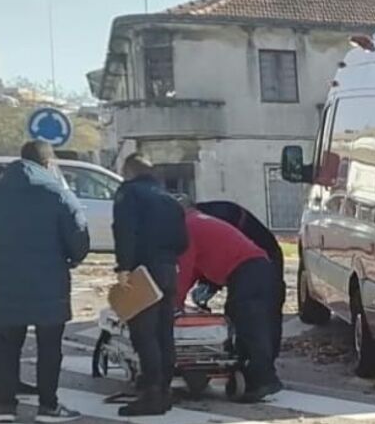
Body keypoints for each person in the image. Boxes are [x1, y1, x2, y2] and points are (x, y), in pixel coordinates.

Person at [0, 141, 89, 424]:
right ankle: (48, 406)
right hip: (50, 283)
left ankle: (6, 408)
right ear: (49, 164)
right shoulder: (57, 194)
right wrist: (71, 260)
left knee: (8, 345)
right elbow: (79, 239)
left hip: (5, 282)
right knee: (49, 347)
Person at [176, 200, 283, 403]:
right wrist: (181, 302)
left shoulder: (186, 228)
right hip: (253, 268)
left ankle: (263, 379)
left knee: (248, 323)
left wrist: (174, 306)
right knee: (239, 318)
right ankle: (249, 372)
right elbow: (192, 271)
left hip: (250, 270)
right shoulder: (197, 221)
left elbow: (183, 270)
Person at [112, 154, 189, 416]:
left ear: (128, 171)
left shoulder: (129, 194)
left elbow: (125, 231)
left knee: (144, 335)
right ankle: (164, 391)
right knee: (163, 333)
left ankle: (152, 395)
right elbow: (183, 242)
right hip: (168, 269)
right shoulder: (170, 198)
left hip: (143, 271)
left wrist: (124, 267)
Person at [193, 200, 285, 356]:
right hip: (252, 256)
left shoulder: (205, 219)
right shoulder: (207, 213)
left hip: (263, 254)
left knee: (258, 308)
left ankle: (263, 362)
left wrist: (208, 284)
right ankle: (248, 357)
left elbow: (220, 251)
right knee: (243, 309)